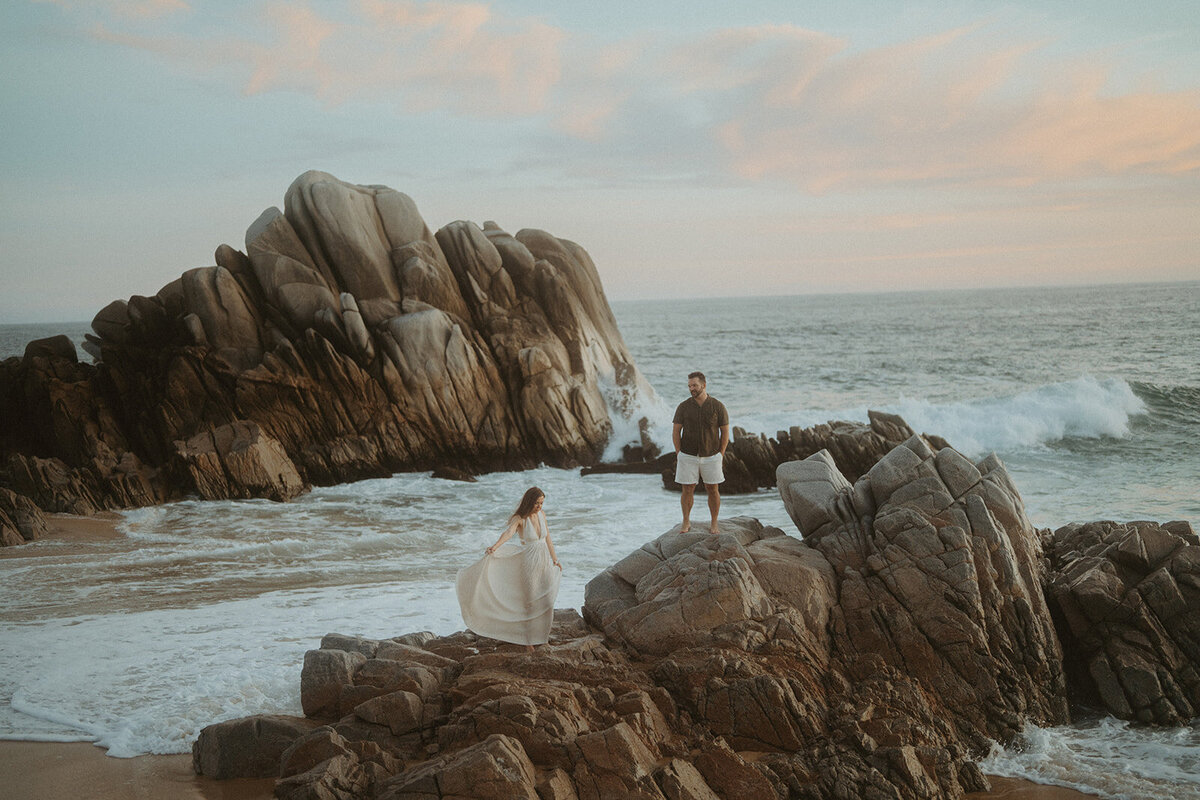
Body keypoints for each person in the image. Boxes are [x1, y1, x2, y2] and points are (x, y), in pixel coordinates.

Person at [455, 487, 562, 653]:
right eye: (536, 503)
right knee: (530, 603)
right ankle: (528, 642)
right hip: (529, 563)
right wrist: (495, 547)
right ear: (529, 502)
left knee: (547, 600)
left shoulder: (542, 515)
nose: (539, 506)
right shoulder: (519, 519)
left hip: (544, 562)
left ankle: (543, 638)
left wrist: (555, 559)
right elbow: (508, 532)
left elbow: (548, 538)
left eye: (541, 503)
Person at [672, 371, 730, 534]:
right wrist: (679, 453)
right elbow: (676, 431)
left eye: (695, 385)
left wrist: (721, 454)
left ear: (704, 385)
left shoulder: (717, 406)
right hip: (687, 455)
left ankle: (714, 524)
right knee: (687, 489)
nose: (692, 388)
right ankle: (686, 522)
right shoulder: (683, 406)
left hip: (712, 455)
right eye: (689, 386)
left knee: (713, 489)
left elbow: (725, 432)